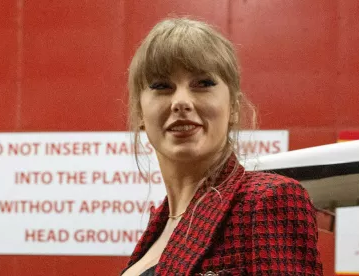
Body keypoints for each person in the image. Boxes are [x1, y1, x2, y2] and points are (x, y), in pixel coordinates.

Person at [121, 17, 322, 276]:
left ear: (234, 108)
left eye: (203, 84)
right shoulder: (160, 223)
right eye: (162, 86)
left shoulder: (267, 200)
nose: (181, 102)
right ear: (139, 112)